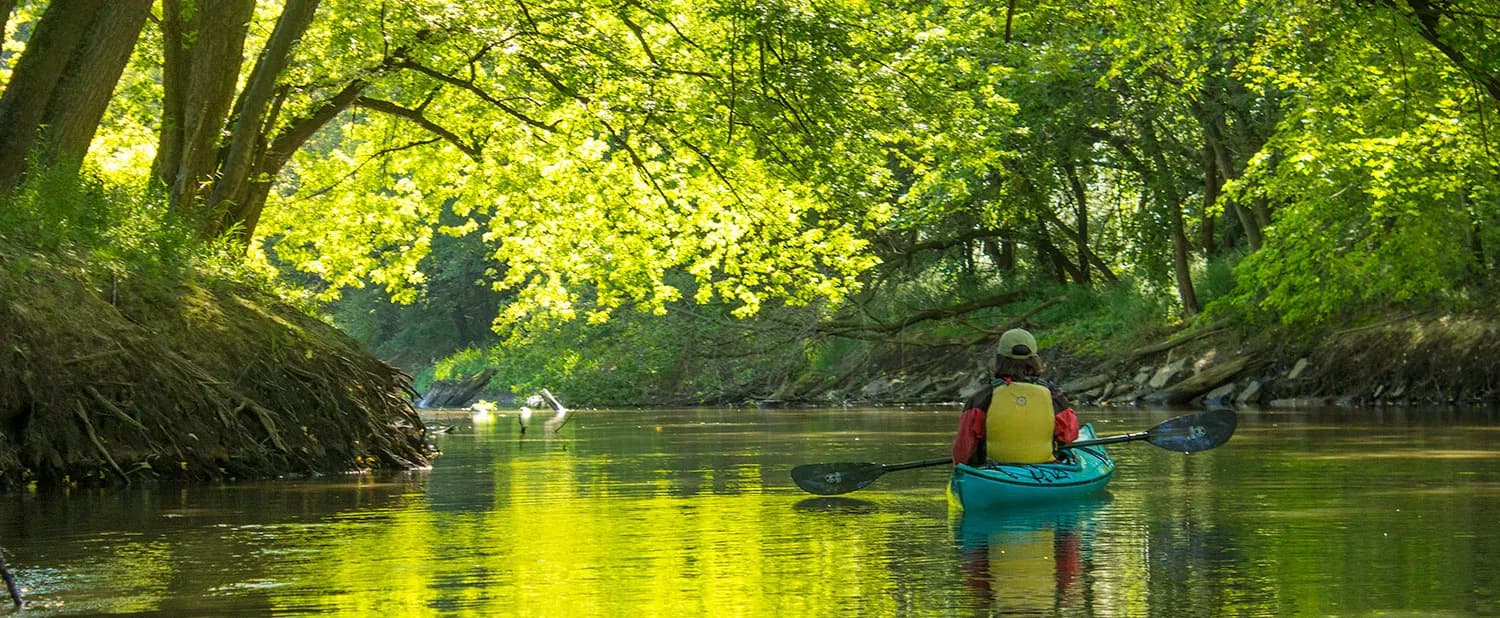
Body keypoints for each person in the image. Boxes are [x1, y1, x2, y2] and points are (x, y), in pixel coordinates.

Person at [952, 328, 1080, 466]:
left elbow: (963, 450)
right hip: (1044, 471)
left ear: (999, 360)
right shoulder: (1053, 396)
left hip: (993, 474)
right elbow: (1069, 434)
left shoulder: (980, 398)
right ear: (1034, 360)